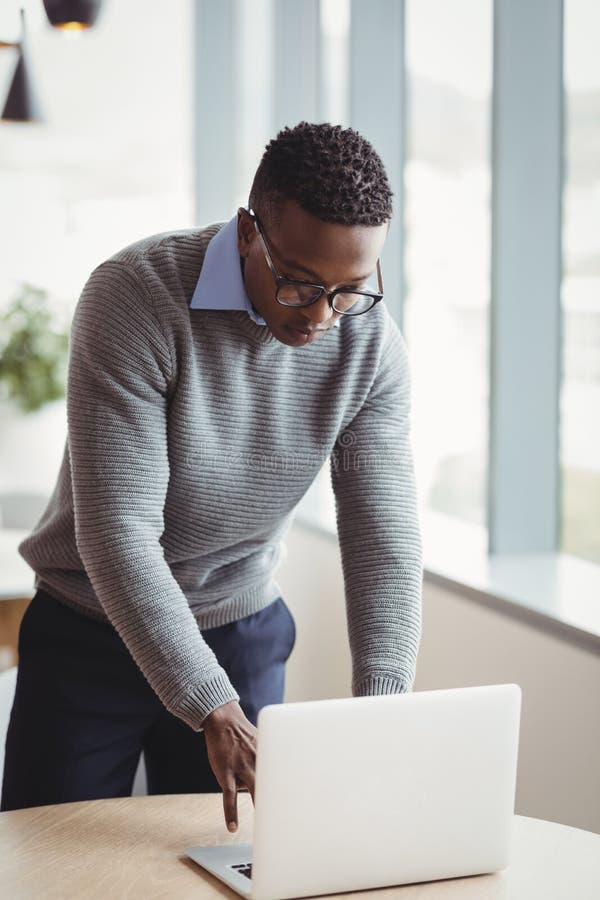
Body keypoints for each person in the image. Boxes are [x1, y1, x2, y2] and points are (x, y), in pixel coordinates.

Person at [1, 122, 423, 831]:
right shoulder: (135, 296)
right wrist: (207, 702)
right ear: (248, 232)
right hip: (90, 634)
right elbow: (119, 531)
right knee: (46, 856)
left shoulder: (369, 346)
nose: (322, 317)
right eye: (299, 283)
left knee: (238, 858)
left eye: (350, 290)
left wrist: (384, 708)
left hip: (240, 625)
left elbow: (383, 538)